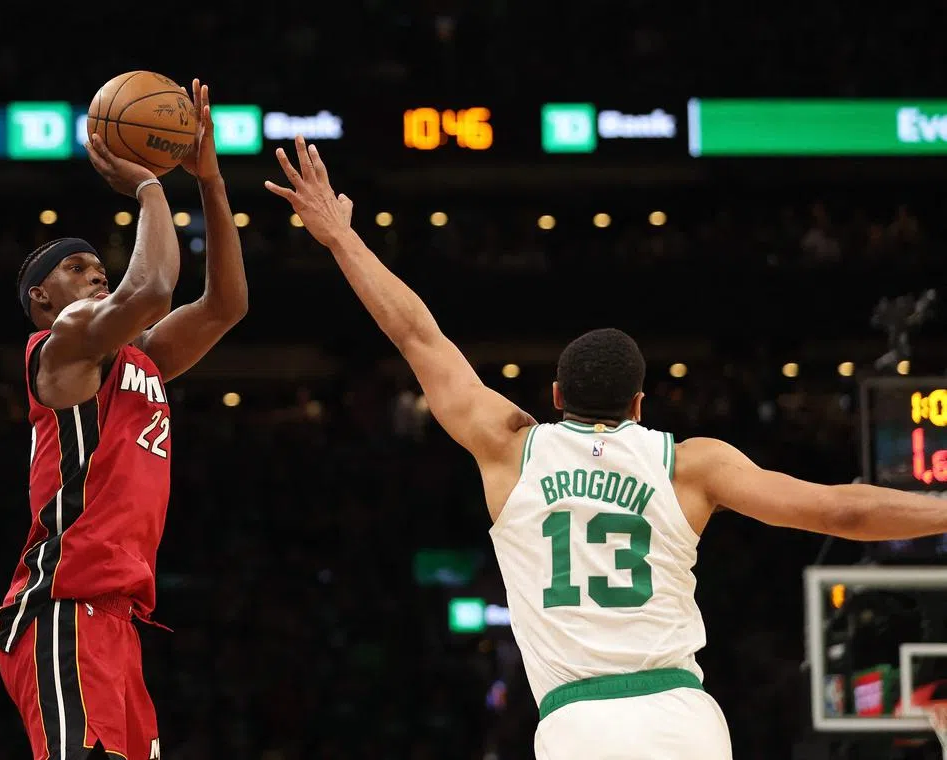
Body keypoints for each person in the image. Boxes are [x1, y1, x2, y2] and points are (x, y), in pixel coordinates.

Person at [265, 135, 947, 759]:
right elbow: (841, 512)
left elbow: (418, 335)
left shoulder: (511, 448)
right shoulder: (692, 464)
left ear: (556, 395)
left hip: (578, 725)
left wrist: (340, 240)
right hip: (684, 718)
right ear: (641, 405)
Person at [0, 80, 247, 760]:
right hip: (61, 608)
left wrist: (211, 183)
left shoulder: (140, 358)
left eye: (100, 267)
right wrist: (150, 189)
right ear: (42, 298)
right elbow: (153, 287)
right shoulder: (59, 349)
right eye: (78, 270)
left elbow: (225, 305)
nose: (97, 275)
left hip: (118, 621)